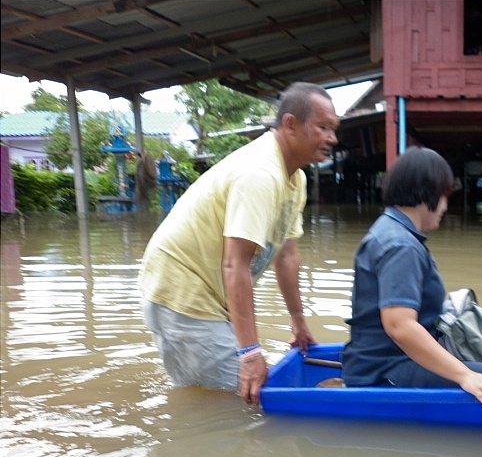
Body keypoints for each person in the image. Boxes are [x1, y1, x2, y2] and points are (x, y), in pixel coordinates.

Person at [139, 82, 339, 404]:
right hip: (184, 293)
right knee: (251, 402)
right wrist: (250, 353)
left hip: (200, 296)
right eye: (323, 127)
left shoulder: (295, 178)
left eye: (333, 128)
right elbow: (235, 264)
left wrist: (299, 323)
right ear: (290, 124)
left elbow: (287, 256)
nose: (332, 138)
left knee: (205, 399)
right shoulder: (260, 174)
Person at [341, 146, 482, 410]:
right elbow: (399, 327)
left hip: (384, 360)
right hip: (384, 370)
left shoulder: (392, 230)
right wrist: (465, 376)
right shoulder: (400, 245)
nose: (446, 206)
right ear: (429, 193)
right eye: (445, 195)